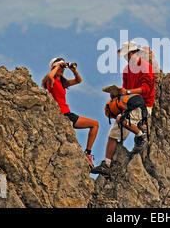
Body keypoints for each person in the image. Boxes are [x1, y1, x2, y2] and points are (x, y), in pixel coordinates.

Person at [91, 41, 155, 176]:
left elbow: (146, 89)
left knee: (120, 119)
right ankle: (107, 165)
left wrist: (128, 92)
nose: (126, 58)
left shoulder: (145, 67)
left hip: (143, 105)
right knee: (112, 134)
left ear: (132, 53)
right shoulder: (127, 70)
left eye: (127, 55)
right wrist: (118, 93)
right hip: (130, 104)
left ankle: (140, 136)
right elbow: (125, 88)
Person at [42, 57, 99, 168]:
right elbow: (49, 76)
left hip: (67, 113)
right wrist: (58, 66)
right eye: (60, 67)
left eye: (63, 67)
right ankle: (87, 154)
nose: (63, 69)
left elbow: (78, 80)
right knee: (94, 124)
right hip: (63, 115)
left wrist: (74, 70)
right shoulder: (51, 81)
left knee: (95, 124)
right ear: (54, 67)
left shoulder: (62, 82)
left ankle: (88, 152)